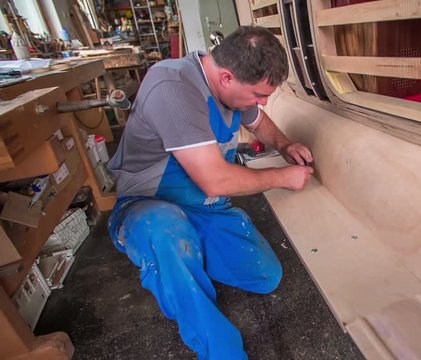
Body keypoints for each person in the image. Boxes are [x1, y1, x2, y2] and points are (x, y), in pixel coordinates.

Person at [107, 26, 314, 359]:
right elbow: (216, 181)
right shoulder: (172, 87)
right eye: (259, 95)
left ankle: (186, 259)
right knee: (168, 232)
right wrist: (282, 176)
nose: (262, 103)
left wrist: (286, 146)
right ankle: (219, 348)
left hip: (205, 207)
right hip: (149, 206)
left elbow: (257, 121)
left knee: (265, 275)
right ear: (228, 77)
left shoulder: (232, 87)